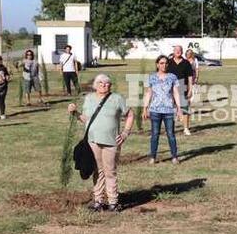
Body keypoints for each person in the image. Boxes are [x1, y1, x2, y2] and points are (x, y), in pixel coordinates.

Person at [68, 74, 134, 212]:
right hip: (93, 140)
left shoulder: (117, 98)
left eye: (107, 83)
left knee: (110, 171)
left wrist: (125, 132)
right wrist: (75, 113)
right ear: (95, 85)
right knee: (98, 171)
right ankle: (98, 201)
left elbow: (130, 114)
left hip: (111, 141)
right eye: (101, 82)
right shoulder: (89, 98)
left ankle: (113, 202)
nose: (104, 85)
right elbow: (86, 119)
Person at [143, 55, 183, 164]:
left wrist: (179, 108)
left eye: (165, 63)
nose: (163, 65)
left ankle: (174, 156)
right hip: (155, 110)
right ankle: (153, 157)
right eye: (161, 63)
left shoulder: (172, 77)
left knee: (171, 134)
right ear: (157, 65)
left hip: (169, 111)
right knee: (155, 134)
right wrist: (145, 108)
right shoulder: (152, 77)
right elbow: (149, 93)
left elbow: (175, 93)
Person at [167, 45, 194, 136]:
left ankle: (186, 128)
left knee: (185, 109)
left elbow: (190, 77)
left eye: (180, 50)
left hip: (183, 87)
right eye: (176, 50)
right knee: (170, 109)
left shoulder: (186, 63)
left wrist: (190, 89)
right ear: (173, 51)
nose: (178, 51)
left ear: (182, 52)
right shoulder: (169, 62)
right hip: (170, 88)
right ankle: (170, 129)